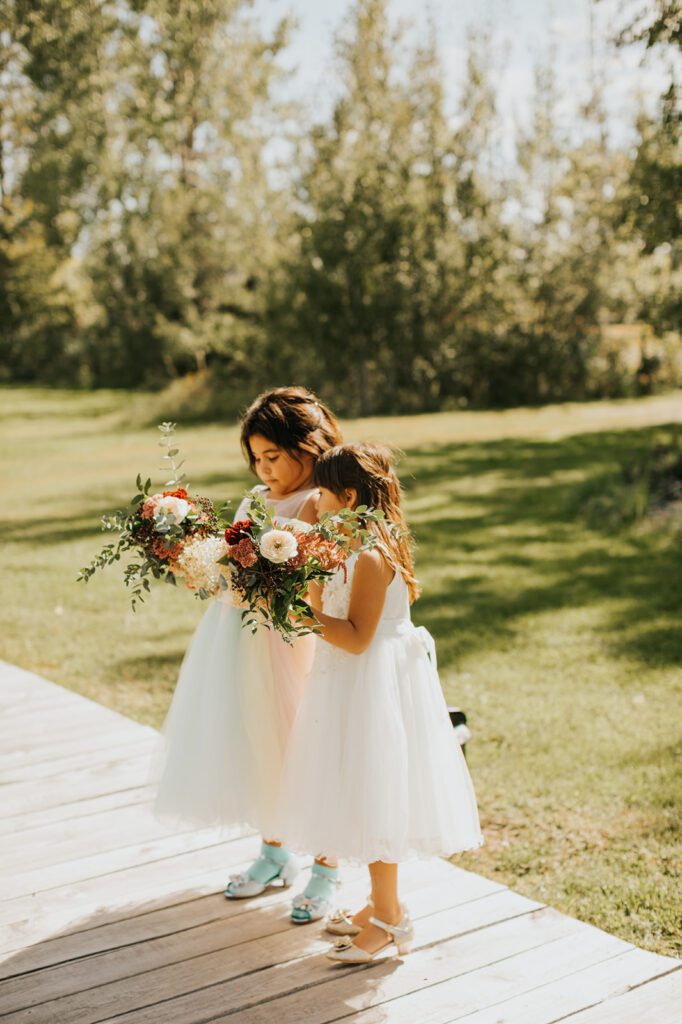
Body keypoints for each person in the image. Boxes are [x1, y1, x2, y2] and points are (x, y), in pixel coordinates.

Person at [276, 443, 483, 963]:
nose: (314, 501)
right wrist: (300, 578)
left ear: (347, 496)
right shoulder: (347, 543)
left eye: (321, 492)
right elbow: (325, 605)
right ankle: (378, 903)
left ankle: (391, 919)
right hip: (349, 681)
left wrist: (300, 617)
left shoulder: (371, 554)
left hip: (372, 682)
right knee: (358, 792)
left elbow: (355, 637)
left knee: (374, 795)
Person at [152, 386, 343, 922]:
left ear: (309, 446)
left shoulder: (321, 502)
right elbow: (230, 568)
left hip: (298, 644)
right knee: (260, 740)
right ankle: (274, 851)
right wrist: (198, 564)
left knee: (309, 744)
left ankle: (327, 866)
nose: (264, 469)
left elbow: (322, 577)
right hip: (244, 642)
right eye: (256, 458)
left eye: (274, 457)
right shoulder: (256, 499)